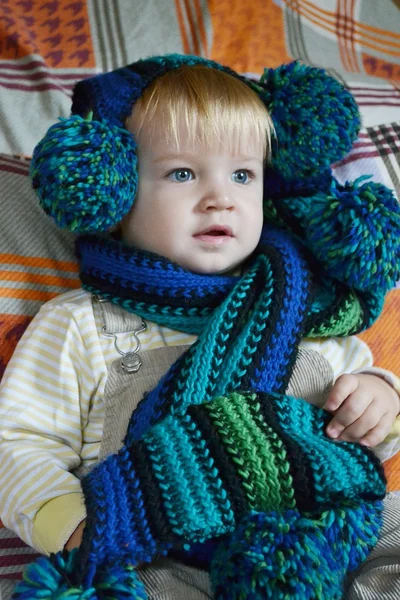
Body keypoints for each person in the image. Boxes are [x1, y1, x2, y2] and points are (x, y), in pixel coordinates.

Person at [0, 54, 400, 600]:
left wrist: (379, 398)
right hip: (157, 548)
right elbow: (19, 443)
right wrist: (74, 529)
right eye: (182, 173)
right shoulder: (80, 322)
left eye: (243, 174)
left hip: (320, 538)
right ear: (117, 192)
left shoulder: (304, 308)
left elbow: (372, 432)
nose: (221, 197)